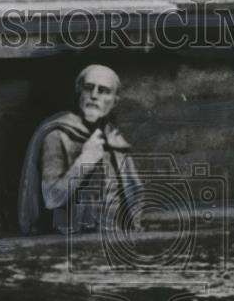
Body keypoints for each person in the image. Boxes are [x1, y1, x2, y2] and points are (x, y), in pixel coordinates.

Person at [18, 65, 142, 235]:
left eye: (104, 91)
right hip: (71, 239)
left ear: (114, 101)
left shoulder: (115, 139)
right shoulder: (57, 135)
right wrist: (85, 160)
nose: (94, 95)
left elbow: (135, 195)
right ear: (79, 91)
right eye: (88, 88)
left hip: (115, 236)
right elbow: (52, 198)